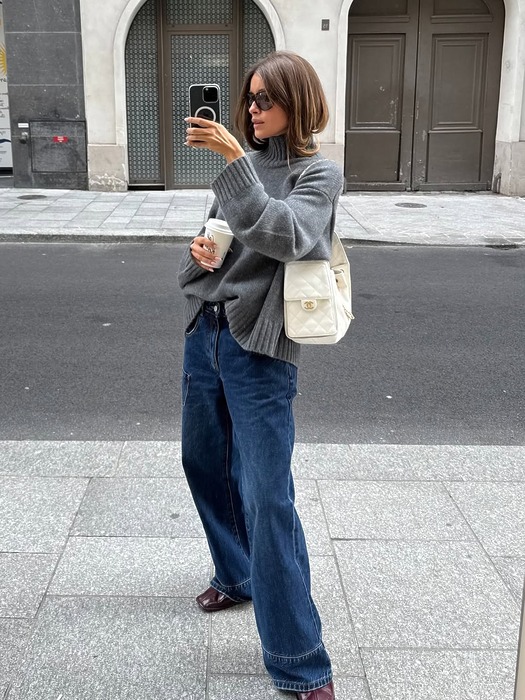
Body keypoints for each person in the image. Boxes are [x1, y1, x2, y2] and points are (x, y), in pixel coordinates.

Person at [179, 51, 342, 700]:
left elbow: (289, 236)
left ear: (295, 104)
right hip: (207, 333)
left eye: (264, 100)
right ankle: (237, 573)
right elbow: (223, 241)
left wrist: (233, 163)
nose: (251, 110)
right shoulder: (244, 166)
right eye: (249, 98)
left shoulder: (317, 173)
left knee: (268, 498)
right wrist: (198, 257)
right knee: (203, 463)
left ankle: (301, 663)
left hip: (261, 349)